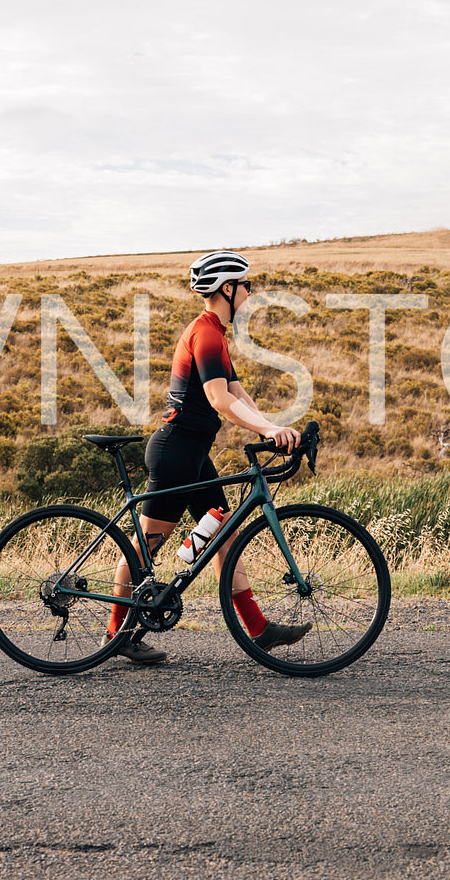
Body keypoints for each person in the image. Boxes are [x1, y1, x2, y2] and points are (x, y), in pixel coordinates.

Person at [106, 250, 312, 664]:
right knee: (146, 546)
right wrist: (269, 430)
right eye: (247, 286)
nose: (251, 294)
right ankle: (116, 634)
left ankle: (258, 628)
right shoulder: (206, 334)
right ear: (227, 289)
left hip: (192, 452)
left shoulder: (216, 333)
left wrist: (272, 427)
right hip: (176, 452)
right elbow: (219, 399)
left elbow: (236, 393)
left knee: (223, 529)